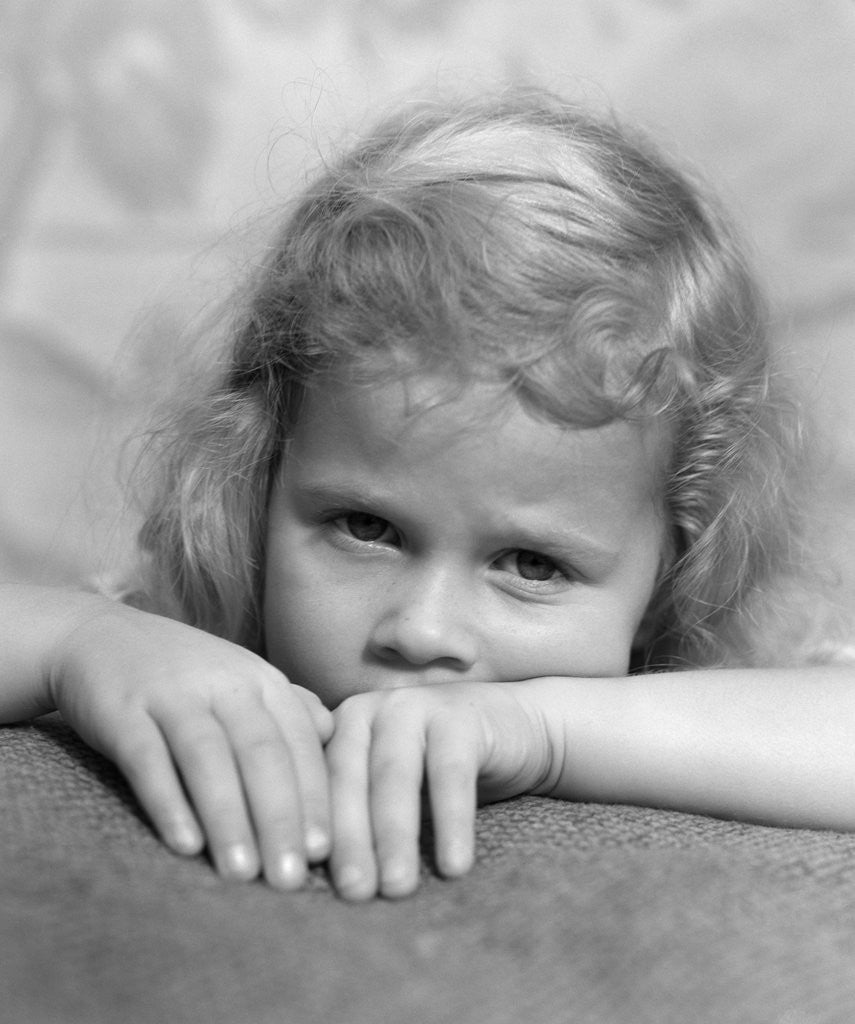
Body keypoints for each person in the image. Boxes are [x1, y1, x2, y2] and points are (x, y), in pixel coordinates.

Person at [0, 87, 850, 901]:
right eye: (366, 527)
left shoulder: (718, 670)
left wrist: (545, 734)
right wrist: (79, 642)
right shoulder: (197, 636)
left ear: (677, 566)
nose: (423, 630)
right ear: (260, 478)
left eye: (530, 563)